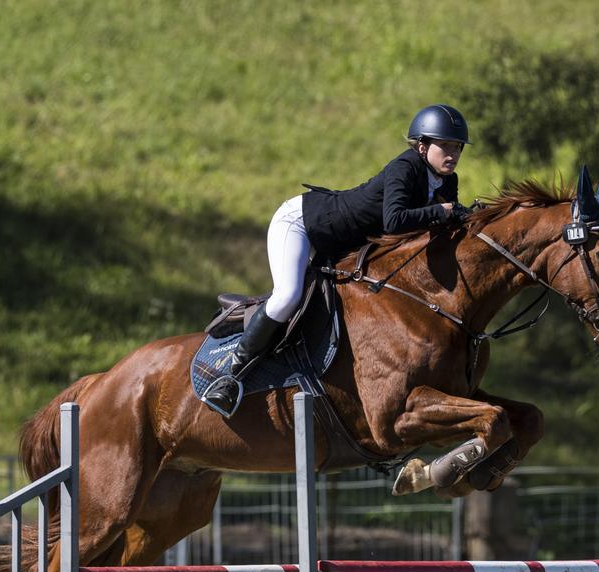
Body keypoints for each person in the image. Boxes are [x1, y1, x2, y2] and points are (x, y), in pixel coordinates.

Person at [201, 104, 474, 417]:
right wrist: (443, 212)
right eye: (445, 146)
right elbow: (395, 220)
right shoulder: (406, 167)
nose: (452, 154)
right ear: (422, 146)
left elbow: (434, 222)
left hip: (343, 243)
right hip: (303, 223)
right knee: (288, 295)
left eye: (457, 147)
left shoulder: (446, 180)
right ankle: (230, 377)